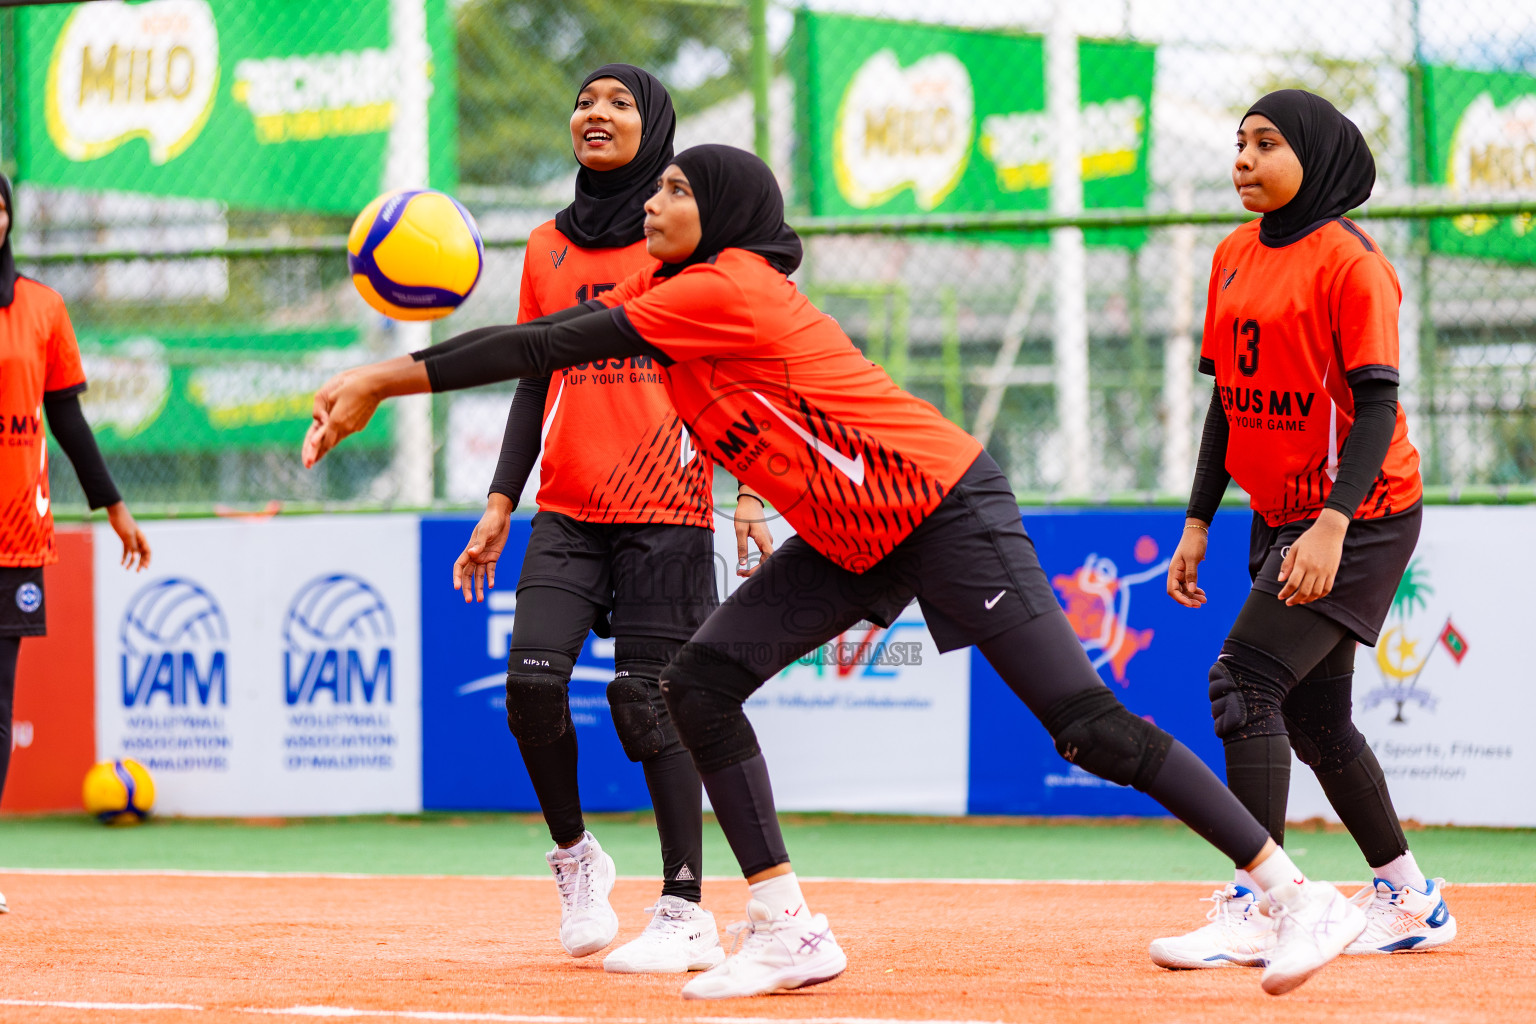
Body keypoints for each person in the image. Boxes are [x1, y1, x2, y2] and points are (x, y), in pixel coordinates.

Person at [304, 144, 1365, 1000]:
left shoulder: (723, 286)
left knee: (1083, 722)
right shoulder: (688, 302)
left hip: (945, 508)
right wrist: (765, 499)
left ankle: (1289, 891)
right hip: (858, 532)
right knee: (699, 683)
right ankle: (784, 926)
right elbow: (755, 412)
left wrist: (379, 379)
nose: (655, 198)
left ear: (721, 214)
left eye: (677, 187)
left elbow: (546, 344)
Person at [448, 64, 771, 973]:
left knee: (650, 704)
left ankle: (683, 905)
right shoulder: (546, 247)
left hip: (667, 510)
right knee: (531, 687)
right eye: (585, 100)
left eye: (621, 102)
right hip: (568, 509)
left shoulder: (682, 236)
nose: (597, 112)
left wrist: (749, 490)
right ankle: (577, 859)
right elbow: (530, 377)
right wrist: (500, 502)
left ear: (655, 124)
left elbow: (741, 368)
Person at [1150, 90, 1455, 970]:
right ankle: (1409, 896)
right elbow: (1227, 400)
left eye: (1266, 143)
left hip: (1358, 513)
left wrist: (1331, 525)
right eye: (1238, 142)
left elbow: (1375, 404)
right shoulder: (1233, 254)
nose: (1243, 158)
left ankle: (1264, 902)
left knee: (1242, 685)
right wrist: (1198, 520)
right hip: (1278, 512)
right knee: (1316, 719)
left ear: (1313, 156)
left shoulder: (1352, 262)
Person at [0, 172, 151, 915]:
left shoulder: (41, 308)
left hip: (14, 534)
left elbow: (68, 422)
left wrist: (114, 507)